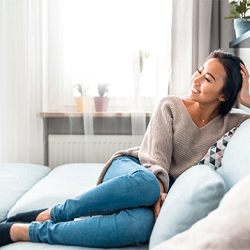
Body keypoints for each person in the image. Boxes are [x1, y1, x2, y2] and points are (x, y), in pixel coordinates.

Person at [1, 50, 250, 248]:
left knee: (140, 228)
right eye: (199, 71)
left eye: (207, 79)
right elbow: (155, 159)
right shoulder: (171, 105)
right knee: (148, 183)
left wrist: (248, 100)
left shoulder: (233, 123)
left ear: (223, 96)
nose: (196, 80)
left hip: (157, 191)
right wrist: (160, 190)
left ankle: (27, 231)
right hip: (135, 169)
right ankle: (56, 212)